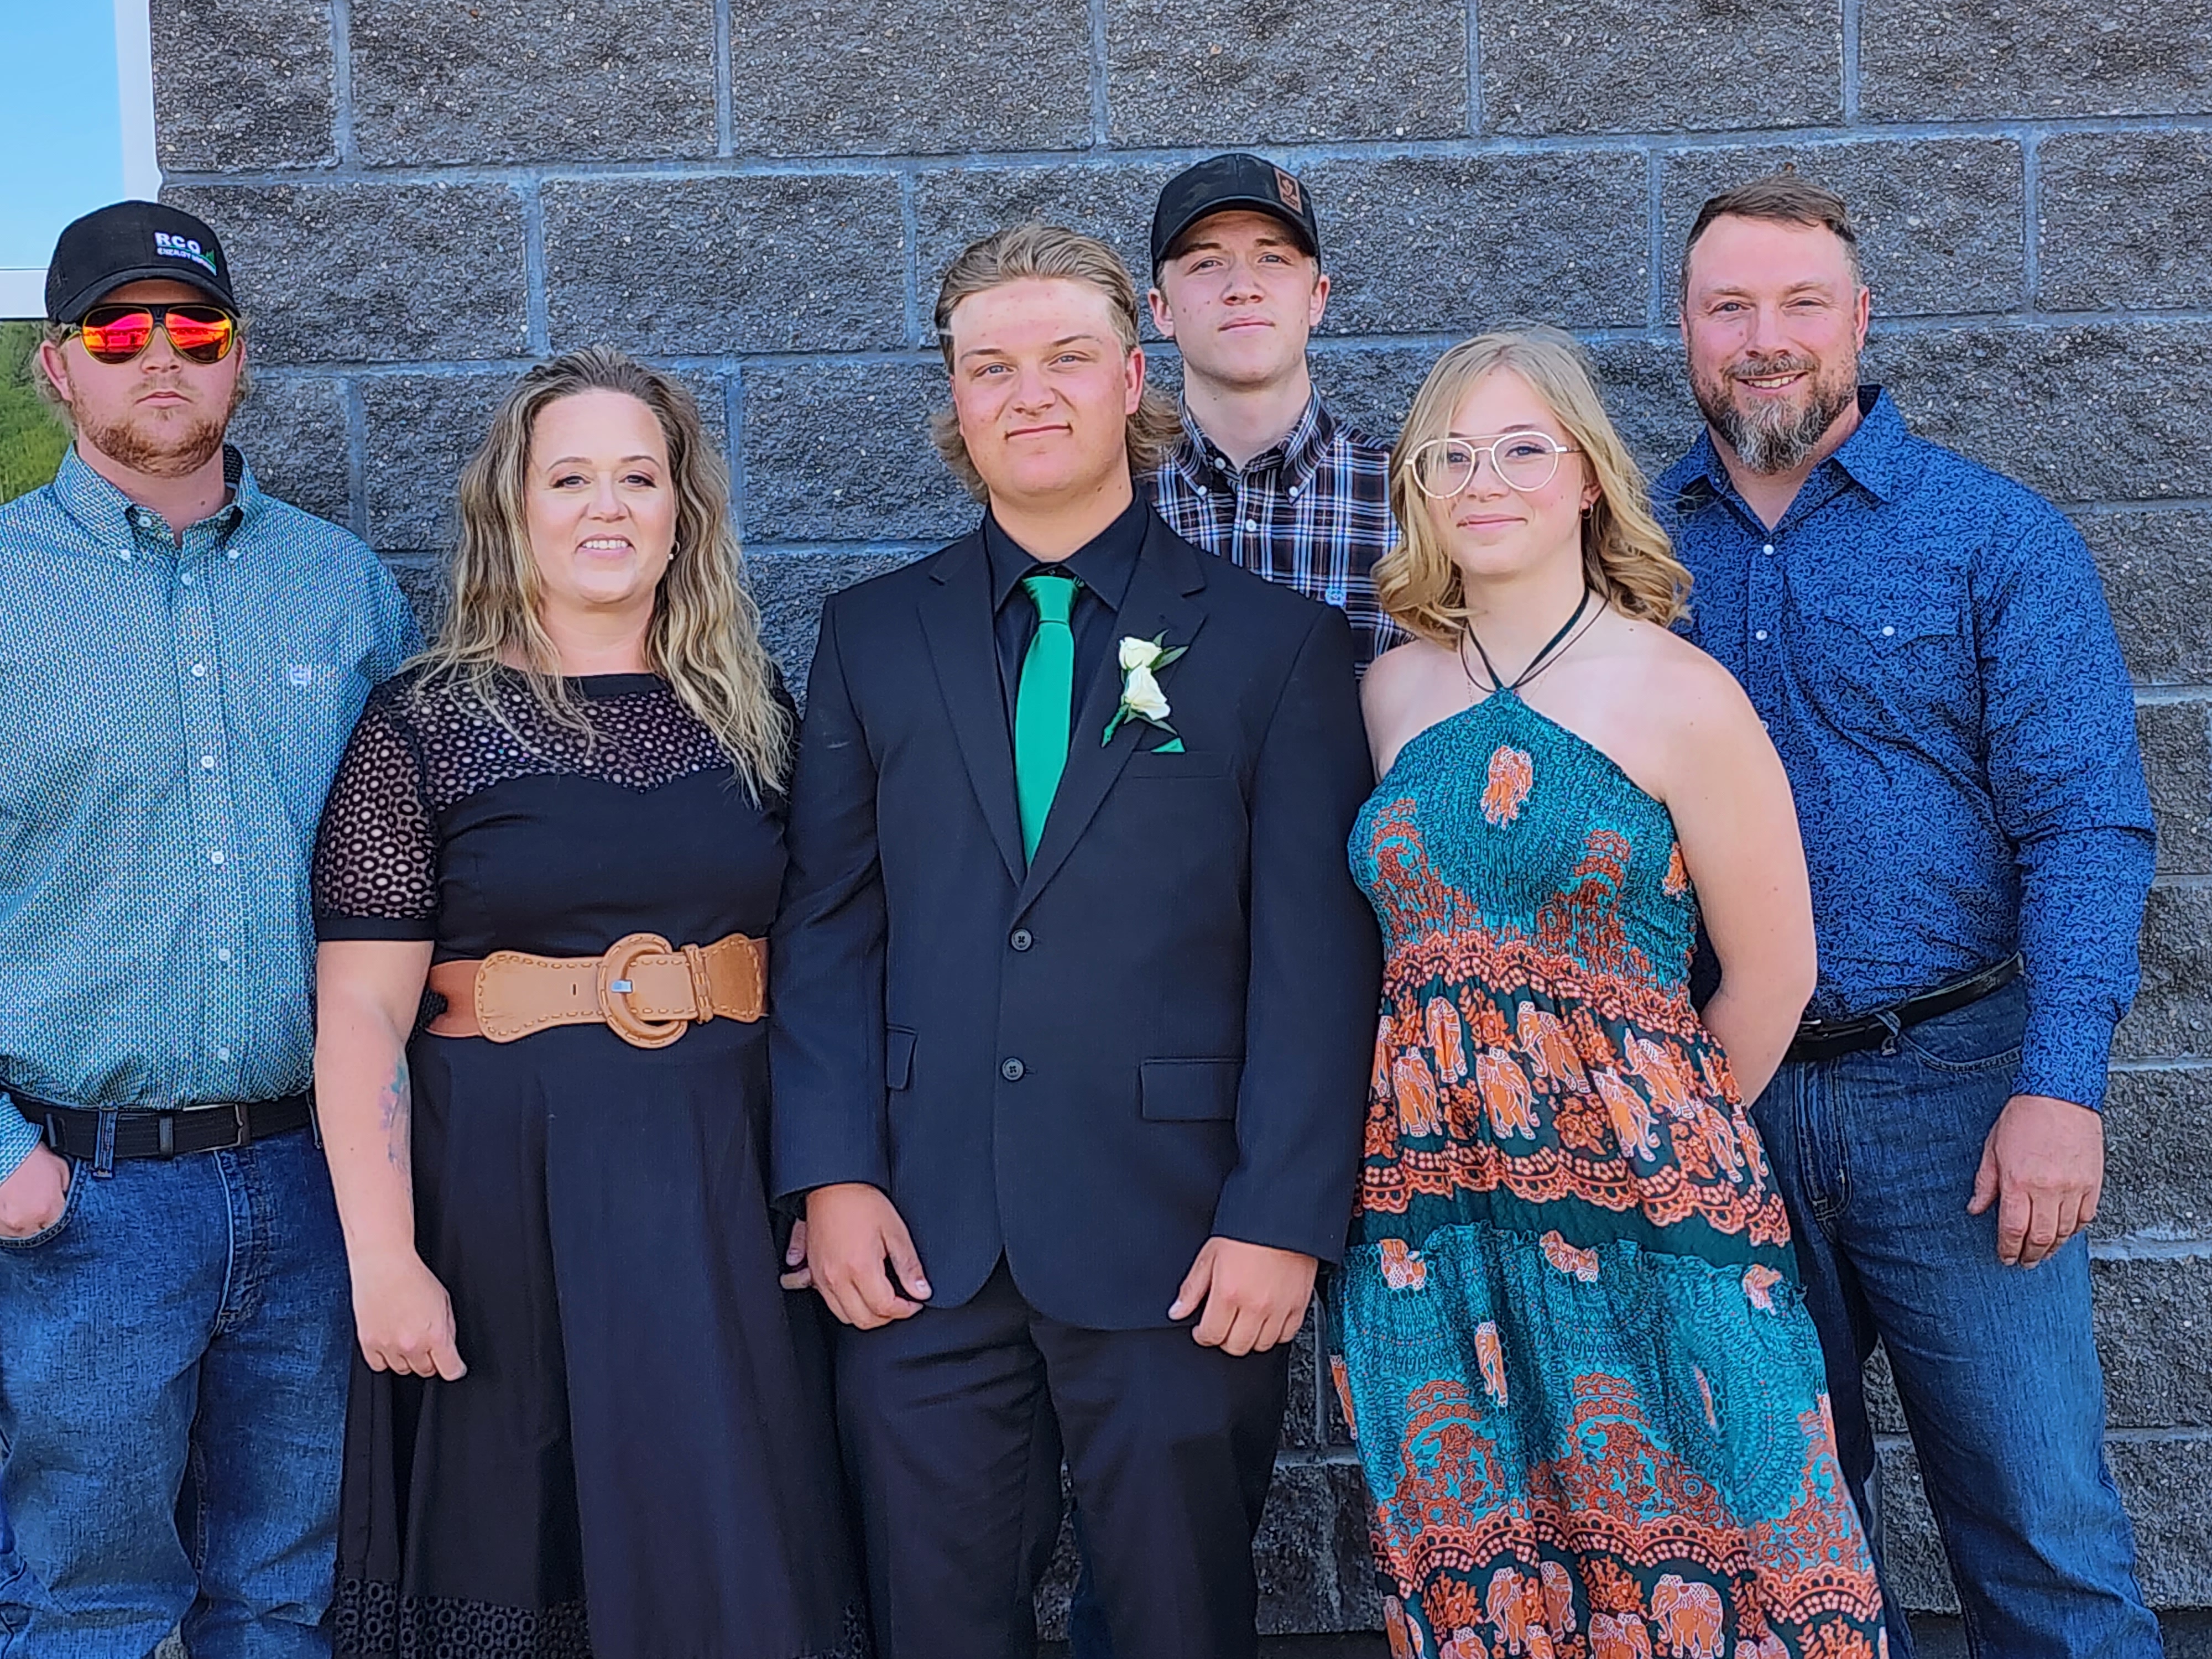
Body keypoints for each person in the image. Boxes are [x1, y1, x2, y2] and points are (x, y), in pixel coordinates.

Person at [771, 223, 1380, 1659]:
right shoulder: (871, 635)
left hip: (1179, 1238)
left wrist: (1282, 1217)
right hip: (918, 1236)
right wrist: (829, 1175)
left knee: (1176, 1622)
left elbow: (1314, 962)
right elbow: (827, 929)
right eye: (991, 366)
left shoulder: (1273, 646)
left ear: (1131, 375)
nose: (1028, 391)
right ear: (956, 398)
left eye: (1062, 358)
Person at [1659, 174, 2161, 1657]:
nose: (1766, 339)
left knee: (2041, 1526)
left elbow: (2087, 824)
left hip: (1954, 1099)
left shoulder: (1993, 538)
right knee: (1775, 1541)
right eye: (1729, 306)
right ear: (1683, 330)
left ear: (1861, 321)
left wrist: (2059, 1087)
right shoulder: (1620, 550)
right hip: (1720, 1099)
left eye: (1801, 304)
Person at [1336, 327, 1886, 1656]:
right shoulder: (1387, 692)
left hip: (1655, 1208)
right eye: (1450, 454)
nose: (1484, 479)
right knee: (1484, 1571)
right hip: (1433, 1216)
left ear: (1585, 475)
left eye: (1522, 447)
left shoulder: (1678, 690)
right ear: (1416, 485)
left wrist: (1655, 1143)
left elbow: (1773, 969)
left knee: (1734, 1561)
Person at [310, 347, 860, 1657]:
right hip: (500, 1199)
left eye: (637, 475)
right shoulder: (424, 725)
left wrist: (820, 1173)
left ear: (683, 511)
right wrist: (384, 1260)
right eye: (570, 477)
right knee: (525, 1532)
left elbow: (828, 965)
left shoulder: (756, 716)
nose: (606, 506)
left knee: (725, 1540)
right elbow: (359, 1019)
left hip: (718, 1189)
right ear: (514, 508)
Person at [0, 201, 419, 1656]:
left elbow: (420, 896)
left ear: (239, 356)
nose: (158, 358)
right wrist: (6, 1164)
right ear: (58, 366)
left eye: (195, 329)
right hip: (85, 1202)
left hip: (315, 1187)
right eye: (117, 332)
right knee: (86, 1606)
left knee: (292, 1601)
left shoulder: (346, 588)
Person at [1145, 153, 1402, 667]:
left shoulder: (1411, 498)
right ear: (1162, 310)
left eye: (1273, 259)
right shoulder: (1114, 498)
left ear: (1317, 297)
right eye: (1206, 263)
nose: (1243, 287)